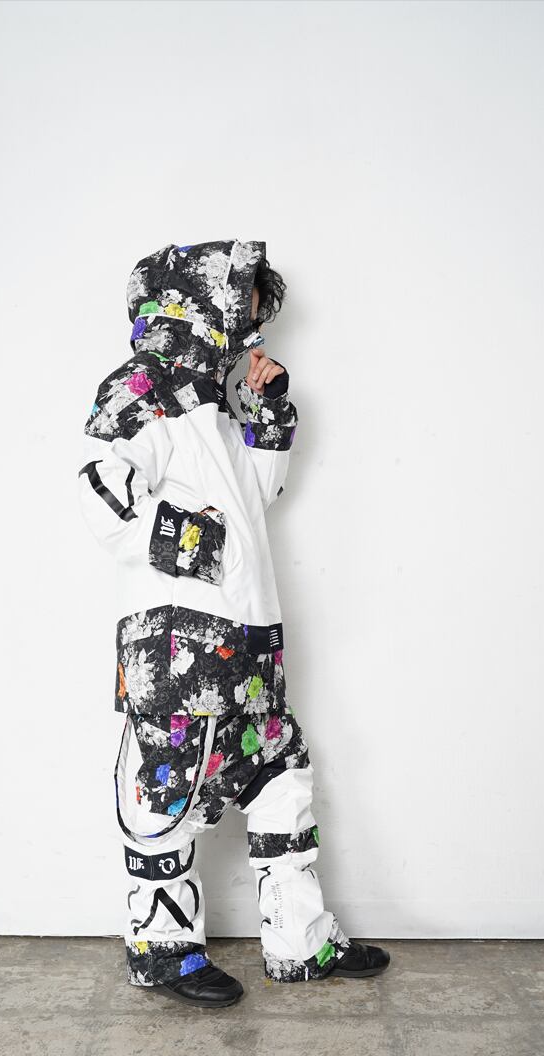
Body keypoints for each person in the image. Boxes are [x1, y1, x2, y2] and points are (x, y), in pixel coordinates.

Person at [78, 239, 390, 1008]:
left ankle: (299, 943)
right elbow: (102, 489)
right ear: (194, 309)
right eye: (240, 317)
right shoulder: (140, 388)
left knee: (281, 779)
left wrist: (268, 407)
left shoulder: (211, 414)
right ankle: (163, 952)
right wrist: (204, 543)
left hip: (249, 645)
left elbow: (258, 493)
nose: (249, 334)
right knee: (168, 795)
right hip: (179, 646)